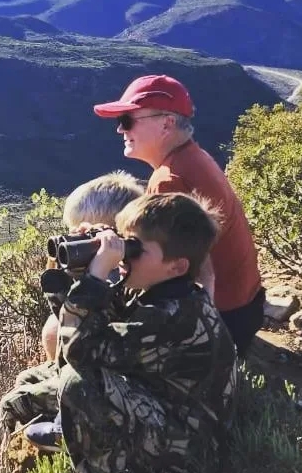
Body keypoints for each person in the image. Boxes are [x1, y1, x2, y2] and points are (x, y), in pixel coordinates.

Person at [52, 192, 238, 473]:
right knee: (29, 386)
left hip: (189, 449)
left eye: (135, 248)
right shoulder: (164, 290)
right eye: (124, 241)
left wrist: (97, 278)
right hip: (164, 403)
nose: (124, 255)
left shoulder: (173, 317)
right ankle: (66, 425)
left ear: (176, 266)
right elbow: (95, 325)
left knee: (77, 383)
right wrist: (81, 270)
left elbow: (79, 350)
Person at [92, 74, 265, 357]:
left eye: (128, 120)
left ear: (167, 123)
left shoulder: (169, 180)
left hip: (225, 319)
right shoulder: (194, 158)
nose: (120, 130)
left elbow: (194, 270)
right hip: (245, 307)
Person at [0, 171, 144, 448]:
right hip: (96, 363)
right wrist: (69, 269)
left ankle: (71, 428)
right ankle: (59, 414)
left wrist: (97, 273)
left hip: (112, 375)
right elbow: (63, 311)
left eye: (88, 235)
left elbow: (80, 340)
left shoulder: (127, 276)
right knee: (25, 378)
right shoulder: (111, 270)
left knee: (23, 397)